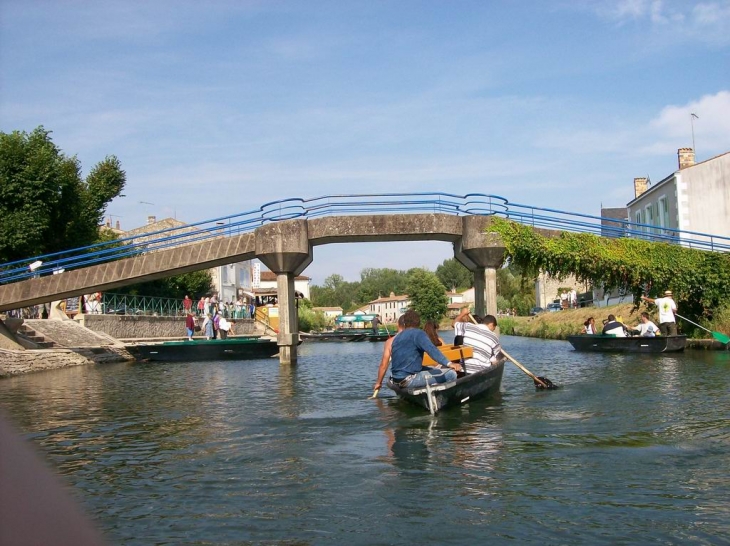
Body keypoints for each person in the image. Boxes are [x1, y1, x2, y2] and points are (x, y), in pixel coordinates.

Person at [374, 310, 458, 391]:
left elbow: (384, 365)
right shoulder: (418, 334)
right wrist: (449, 363)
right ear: (418, 323)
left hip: (396, 379)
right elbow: (432, 350)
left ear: (405, 323)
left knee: (431, 369)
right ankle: (440, 396)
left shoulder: (396, 338)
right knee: (451, 374)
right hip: (409, 379)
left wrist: (378, 383)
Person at [373, 316, 406, 390]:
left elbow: (384, 365)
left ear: (398, 325)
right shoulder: (416, 338)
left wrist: (378, 383)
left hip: (400, 377)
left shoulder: (390, 342)